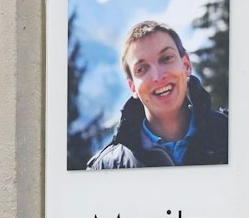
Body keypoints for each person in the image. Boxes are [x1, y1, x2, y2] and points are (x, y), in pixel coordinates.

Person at [86, 20, 229, 169]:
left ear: (186, 65)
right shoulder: (106, 168)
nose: (158, 76)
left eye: (166, 58)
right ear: (133, 86)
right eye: (142, 69)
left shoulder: (236, 136)